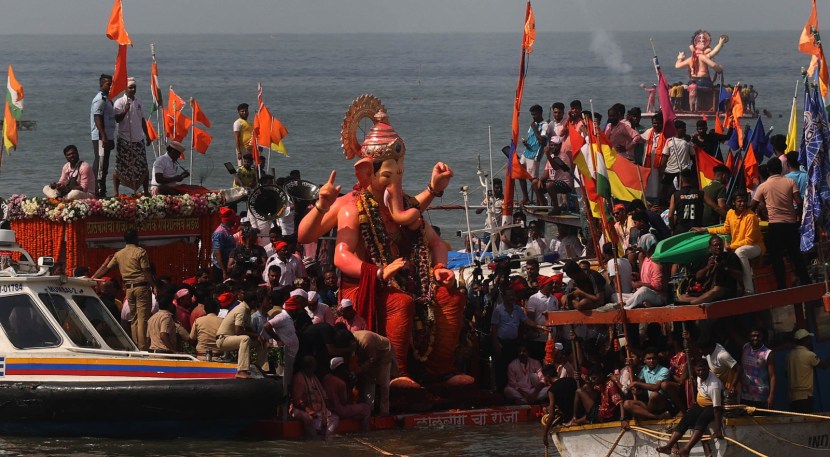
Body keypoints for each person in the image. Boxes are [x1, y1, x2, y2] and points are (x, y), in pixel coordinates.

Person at [92, 229, 157, 351]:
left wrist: (94, 278)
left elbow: (107, 269)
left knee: (134, 319)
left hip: (129, 289)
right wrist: (154, 285)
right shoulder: (140, 251)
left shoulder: (119, 254)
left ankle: (136, 346)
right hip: (141, 287)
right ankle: (143, 348)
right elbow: (146, 270)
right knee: (143, 318)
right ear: (136, 238)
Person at [752, 157, 810, 289]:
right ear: (781, 168)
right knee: (796, 255)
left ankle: (782, 286)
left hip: (774, 226)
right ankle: (806, 283)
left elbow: (752, 206)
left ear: (768, 170)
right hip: (790, 224)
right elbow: (799, 202)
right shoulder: (790, 181)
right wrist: (799, 216)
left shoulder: (763, 186)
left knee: (776, 258)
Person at [693, 192, 763, 294]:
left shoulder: (751, 216)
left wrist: (730, 246)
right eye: (739, 201)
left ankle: (749, 289)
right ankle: (720, 285)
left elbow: (749, 240)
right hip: (736, 245)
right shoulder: (730, 213)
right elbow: (725, 229)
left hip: (755, 247)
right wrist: (706, 230)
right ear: (733, 202)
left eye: (744, 201)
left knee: (740, 252)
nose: (742, 204)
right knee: (719, 252)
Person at [657, 359, 724, 457]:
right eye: (698, 371)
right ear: (695, 370)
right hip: (699, 404)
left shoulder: (714, 385)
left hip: (711, 406)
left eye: (703, 370)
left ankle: (686, 449)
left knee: (701, 422)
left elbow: (717, 408)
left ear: (708, 369)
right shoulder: (698, 377)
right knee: (685, 420)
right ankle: (668, 446)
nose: (700, 373)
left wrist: (718, 429)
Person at [491, 289, 543, 391]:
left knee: (513, 366)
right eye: (509, 295)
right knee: (501, 366)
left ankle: (514, 387)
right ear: (504, 297)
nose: (511, 298)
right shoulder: (498, 310)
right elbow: (494, 328)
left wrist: (540, 327)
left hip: (514, 343)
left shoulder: (518, 309)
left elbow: (527, 321)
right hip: (502, 343)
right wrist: (496, 344)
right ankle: (501, 390)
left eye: (513, 295)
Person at [215, 288, 268, 378]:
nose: (257, 304)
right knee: (245, 338)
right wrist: (256, 335)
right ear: (252, 301)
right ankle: (241, 371)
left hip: (232, 339)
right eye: (256, 302)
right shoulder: (241, 309)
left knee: (261, 341)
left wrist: (259, 337)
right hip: (223, 340)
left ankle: (261, 368)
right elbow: (238, 331)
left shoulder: (247, 310)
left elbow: (248, 329)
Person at [677, 235, 743, 305]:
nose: (718, 247)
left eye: (720, 244)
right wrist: (707, 267)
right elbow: (698, 277)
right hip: (707, 290)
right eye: (715, 245)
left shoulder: (730, 256)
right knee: (683, 297)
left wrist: (725, 267)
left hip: (726, 290)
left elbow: (740, 276)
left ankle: (692, 304)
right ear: (710, 248)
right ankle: (700, 301)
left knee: (716, 289)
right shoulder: (708, 258)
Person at [112, 77, 151, 195]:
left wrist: (147, 135)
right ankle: (116, 191)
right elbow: (117, 119)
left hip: (138, 139)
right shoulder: (119, 102)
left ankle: (145, 191)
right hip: (124, 139)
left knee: (143, 165)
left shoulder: (139, 101)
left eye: (134, 87)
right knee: (120, 166)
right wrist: (125, 111)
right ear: (125, 88)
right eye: (130, 87)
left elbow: (142, 120)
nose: (133, 89)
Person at [292, 355, 339, 441]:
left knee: (335, 418)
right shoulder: (299, 378)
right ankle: (314, 441)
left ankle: (328, 439)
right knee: (308, 419)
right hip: (301, 410)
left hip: (318, 410)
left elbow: (323, 395)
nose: (315, 369)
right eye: (313, 367)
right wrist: (309, 411)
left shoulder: (314, 377)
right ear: (308, 367)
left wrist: (329, 408)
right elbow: (297, 401)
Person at [623, 348, 678, 420]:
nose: (651, 361)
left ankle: (645, 414)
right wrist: (631, 367)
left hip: (664, 403)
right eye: (649, 359)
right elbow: (636, 382)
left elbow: (656, 387)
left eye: (654, 358)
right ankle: (657, 417)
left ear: (657, 359)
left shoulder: (663, 370)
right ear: (644, 360)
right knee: (627, 404)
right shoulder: (645, 369)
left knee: (654, 395)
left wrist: (637, 383)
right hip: (651, 405)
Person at [787, 329, 830, 413]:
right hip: (805, 396)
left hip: (792, 397)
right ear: (805, 340)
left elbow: (786, 373)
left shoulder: (789, 355)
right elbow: (824, 365)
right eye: (808, 339)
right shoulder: (809, 355)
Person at [616, 234, 664, 309]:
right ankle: (636, 303)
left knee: (643, 290)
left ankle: (625, 305)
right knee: (615, 296)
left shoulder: (656, 262)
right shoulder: (646, 259)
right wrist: (638, 276)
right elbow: (647, 279)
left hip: (658, 296)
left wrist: (639, 284)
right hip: (644, 294)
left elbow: (658, 286)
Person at [323, 357, 371, 431]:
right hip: (340, 410)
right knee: (367, 408)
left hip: (329, 409)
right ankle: (364, 432)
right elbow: (344, 401)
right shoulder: (341, 383)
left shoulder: (326, 378)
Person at [352, 330, 393, 416]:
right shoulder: (352, 338)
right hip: (370, 355)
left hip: (384, 353)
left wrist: (360, 369)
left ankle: (384, 411)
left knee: (383, 383)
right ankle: (369, 408)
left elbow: (372, 359)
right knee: (369, 380)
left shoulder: (366, 342)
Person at [264, 296, 301, 392]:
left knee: (287, 378)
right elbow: (267, 326)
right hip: (283, 353)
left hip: (289, 354)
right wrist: (278, 339)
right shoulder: (282, 317)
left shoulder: (288, 318)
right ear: (292, 310)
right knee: (282, 378)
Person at [91, 73, 116, 197]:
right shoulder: (100, 98)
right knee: (100, 163)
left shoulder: (108, 98)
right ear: (101, 84)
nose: (110, 86)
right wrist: (104, 136)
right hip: (101, 137)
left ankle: (102, 189)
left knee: (105, 164)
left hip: (108, 136)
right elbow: (97, 117)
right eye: (108, 84)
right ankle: (97, 190)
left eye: (112, 84)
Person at [525, 275, 558, 360]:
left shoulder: (554, 299)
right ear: (543, 286)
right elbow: (530, 318)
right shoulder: (533, 298)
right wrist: (536, 332)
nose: (552, 286)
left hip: (551, 339)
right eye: (550, 284)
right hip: (538, 339)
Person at [519, 104, 547, 204]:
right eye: (532, 115)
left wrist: (535, 128)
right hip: (527, 152)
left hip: (534, 155)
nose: (533, 117)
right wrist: (526, 142)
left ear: (540, 113)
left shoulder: (544, 125)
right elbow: (532, 138)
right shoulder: (533, 124)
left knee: (533, 179)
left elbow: (542, 140)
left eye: (535, 114)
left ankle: (541, 200)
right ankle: (525, 197)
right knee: (520, 174)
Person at [661, 120, 694, 205]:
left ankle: (671, 205)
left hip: (678, 172)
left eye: (685, 128)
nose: (685, 130)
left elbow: (665, 156)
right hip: (674, 171)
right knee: (668, 191)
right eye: (683, 128)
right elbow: (665, 156)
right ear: (676, 129)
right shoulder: (672, 141)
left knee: (671, 191)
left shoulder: (686, 142)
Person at [741, 328, 776, 409]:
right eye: (753, 336)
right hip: (745, 395)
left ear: (762, 337)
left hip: (761, 397)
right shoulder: (745, 347)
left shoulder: (768, 353)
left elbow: (773, 376)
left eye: (758, 336)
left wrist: (771, 396)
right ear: (749, 337)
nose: (755, 338)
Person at [699, 338, 740, 403]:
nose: (700, 352)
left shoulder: (722, 355)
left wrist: (733, 386)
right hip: (720, 385)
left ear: (709, 348)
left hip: (730, 386)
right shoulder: (707, 353)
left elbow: (737, 368)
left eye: (701, 350)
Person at [668, 169, 703, 234]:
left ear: (681, 179)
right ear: (693, 179)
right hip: (696, 229)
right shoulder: (700, 193)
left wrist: (672, 228)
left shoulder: (675, 195)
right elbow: (715, 207)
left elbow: (670, 216)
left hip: (680, 230)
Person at [211, 207, 238, 281]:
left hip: (228, 266)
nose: (235, 219)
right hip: (221, 269)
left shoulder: (228, 230)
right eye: (234, 217)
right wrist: (223, 270)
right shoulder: (220, 232)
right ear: (229, 219)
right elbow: (217, 252)